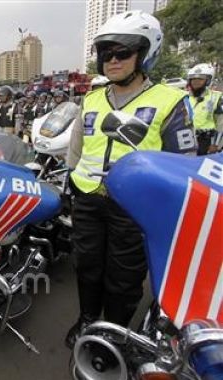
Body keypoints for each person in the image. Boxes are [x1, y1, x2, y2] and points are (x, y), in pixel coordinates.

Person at [65, 10, 196, 349]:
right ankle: (87, 320)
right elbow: (76, 150)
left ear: (145, 54)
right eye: (106, 53)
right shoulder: (91, 98)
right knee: (87, 267)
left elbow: (184, 164)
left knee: (123, 278)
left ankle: (115, 333)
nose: (112, 60)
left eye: (122, 52)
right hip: (89, 199)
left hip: (134, 206)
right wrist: (71, 185)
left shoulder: (171, 100)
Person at [186, 63, 223, 155]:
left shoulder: (216, 98)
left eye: (200, 79)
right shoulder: (184, 97)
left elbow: (221, 124)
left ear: (208, 81)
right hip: (187, 141)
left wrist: (216, 144)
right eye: (193, 79)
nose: (196, 81)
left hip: (207, 141)